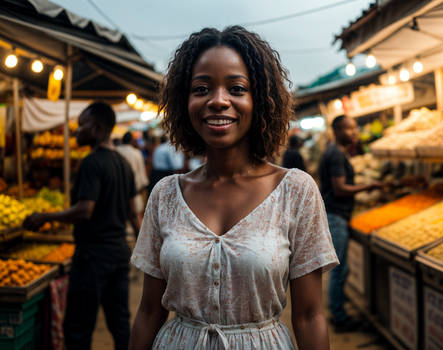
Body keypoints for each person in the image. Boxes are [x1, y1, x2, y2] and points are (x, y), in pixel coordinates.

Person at [129, 26, 339, 350]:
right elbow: (147, 312)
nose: (218, 101)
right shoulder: (166, 196)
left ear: (261, 100)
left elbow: (309, 316)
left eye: (237, 88)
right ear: (184, 102)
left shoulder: (296, 192)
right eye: (201, 88)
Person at [23, 102, 140, 350]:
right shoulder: (123, 164)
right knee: (120, 323)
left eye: (81, 125)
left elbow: (85, 209)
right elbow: (133, 213)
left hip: (92, 256)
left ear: (97, 129)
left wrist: (45, 217)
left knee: (78, 328)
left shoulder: (91, 163)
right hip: (118, 253)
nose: (76, 131)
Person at [318, 115, 381, 333]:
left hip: (335, 215)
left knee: (340, 269)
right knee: (339, 270)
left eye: (355, 128)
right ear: (337, 130)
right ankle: (339, 317)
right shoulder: (336, 154)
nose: (354, 132)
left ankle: (339, 312)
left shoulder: (335, 151)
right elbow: (339, 188)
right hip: (336, 216)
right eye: (349, 129)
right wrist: (368, 186)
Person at [117, 132, 149, 218]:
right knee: (135, 215)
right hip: (134, 189)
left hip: (118, 191)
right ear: (131, 141)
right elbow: (141, 171)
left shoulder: (116, 151)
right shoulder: (136, 153)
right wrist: (143, 184)